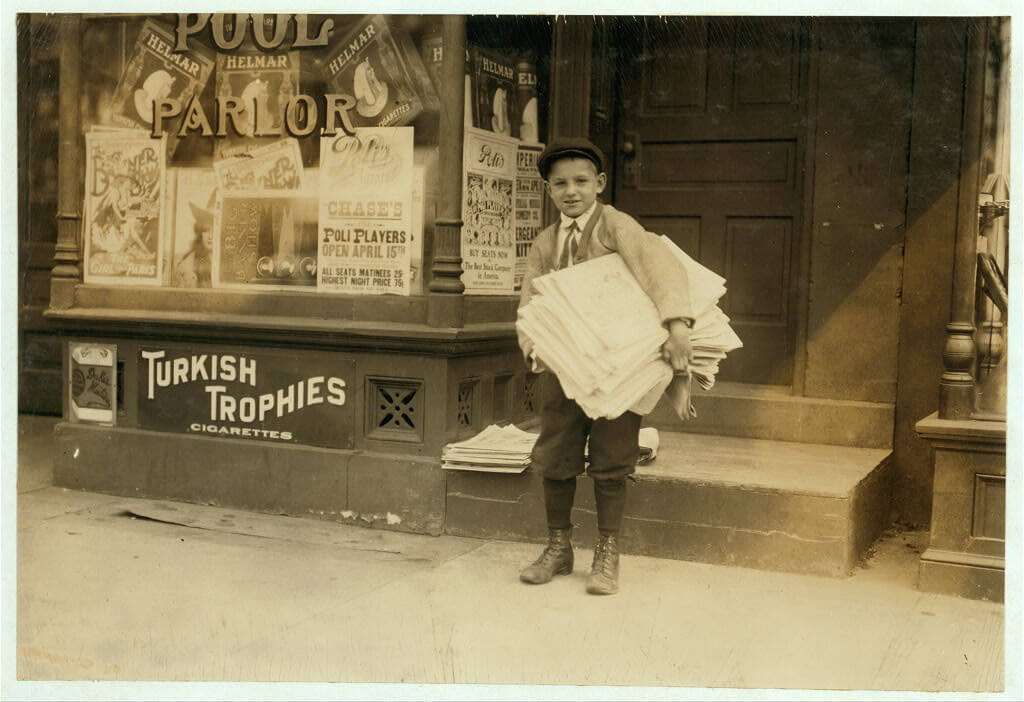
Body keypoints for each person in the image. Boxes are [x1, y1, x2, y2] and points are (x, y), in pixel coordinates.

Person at [517, 137, 695, 596]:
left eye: (580, 181)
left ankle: (607, 551)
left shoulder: (616, 226)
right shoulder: (545, 242)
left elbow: (661, 268)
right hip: (565, 364)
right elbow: (530, 301)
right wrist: (533, 345)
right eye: (559, 184)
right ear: (548, 191)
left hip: (619, 364)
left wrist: (677, 326)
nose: (571, 191)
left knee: (614, 455)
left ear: (600, 183)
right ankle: (558, 547)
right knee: (556, 451)